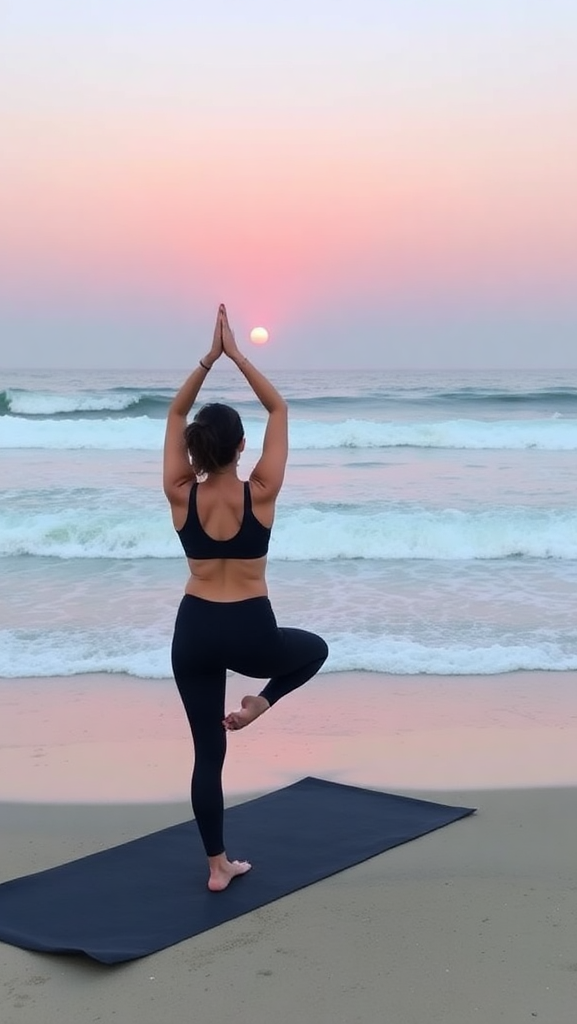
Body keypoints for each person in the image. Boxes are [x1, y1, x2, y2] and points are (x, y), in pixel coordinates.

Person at [163, 304, 328, 892]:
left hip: (195, 631)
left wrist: (208, 359)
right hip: (252, 631)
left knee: (208, 755)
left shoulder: (180, 493)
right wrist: (237, 355)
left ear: (195, 453)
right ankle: (262, 703)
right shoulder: (262, 491)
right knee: (313, 650)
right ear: (239, 448)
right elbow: (279, 408)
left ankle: (216, 867)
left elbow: (178, 409)